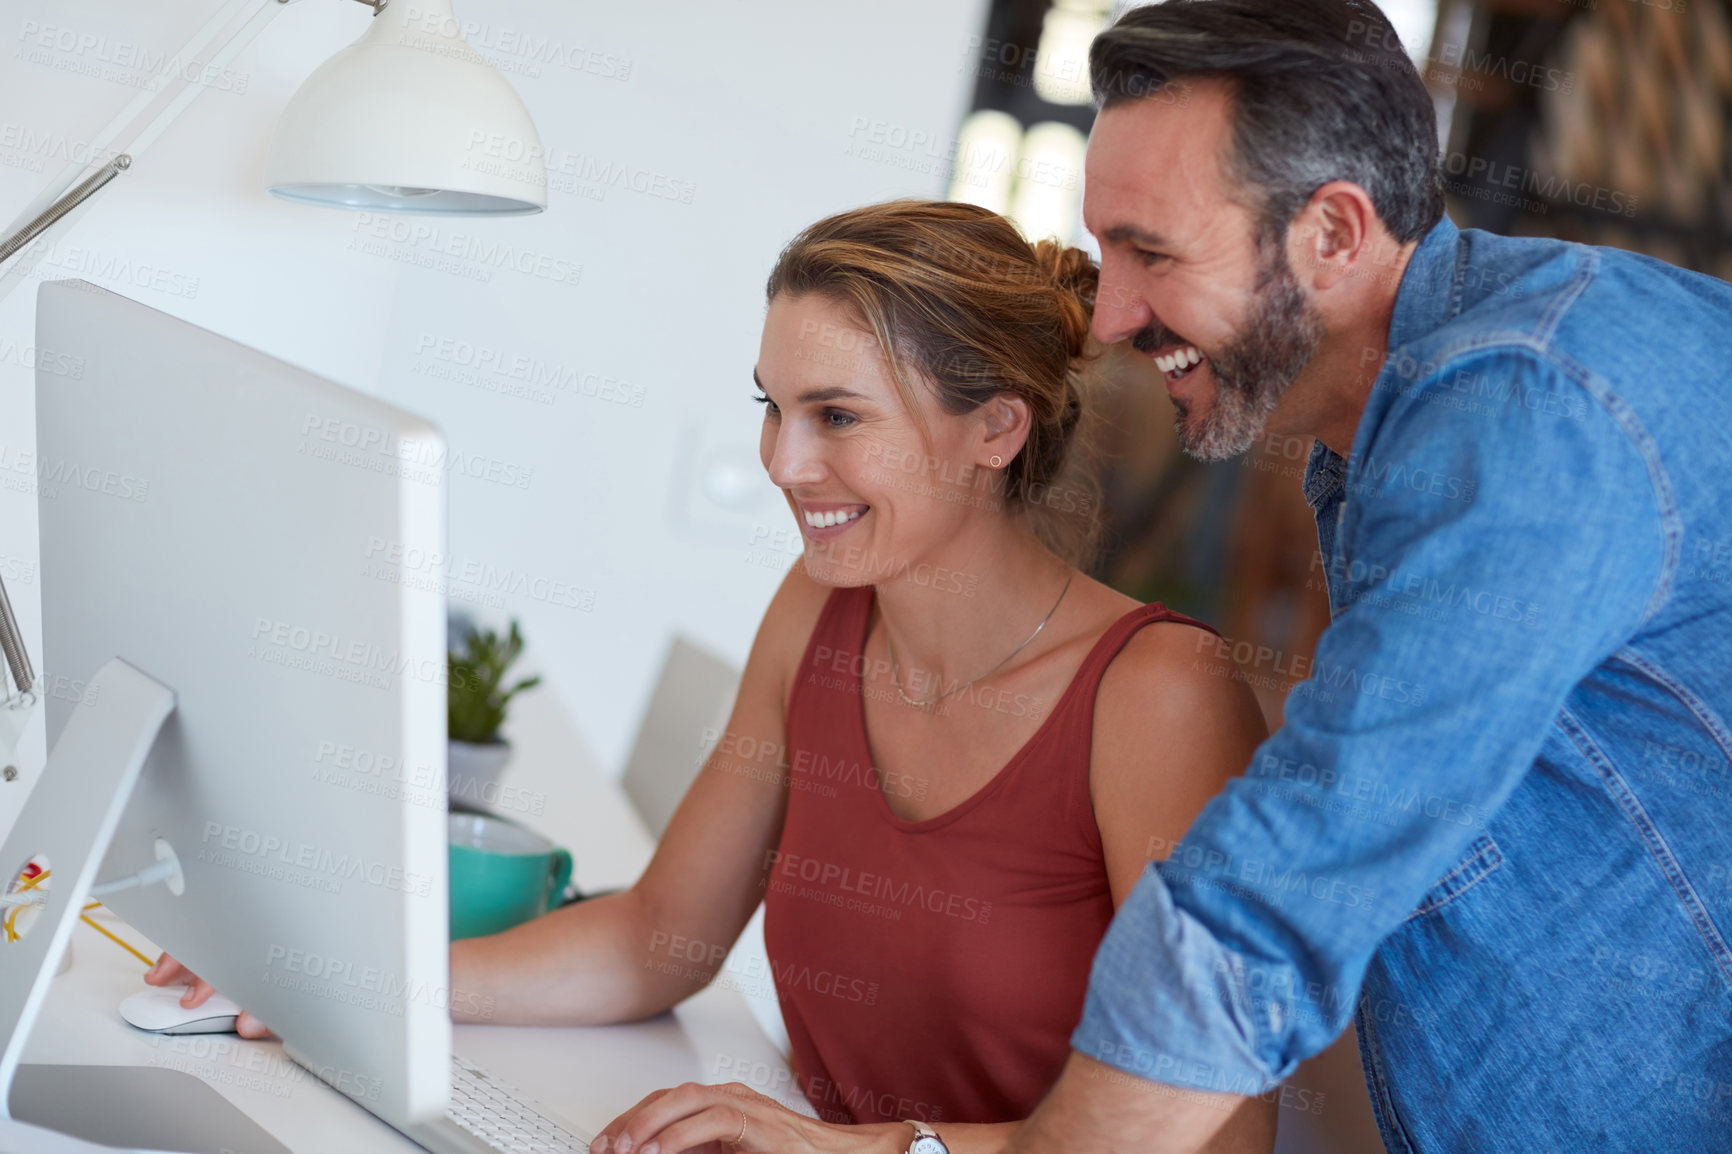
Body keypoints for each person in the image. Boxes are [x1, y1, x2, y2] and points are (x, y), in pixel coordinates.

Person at [147, 199, 1277, 1153]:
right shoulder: (822, 609)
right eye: (772, 409)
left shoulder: (1157, 690)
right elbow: (654, 935)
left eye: (836, 415)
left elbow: (1225, 1128)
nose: (783, 464)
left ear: (993, 428)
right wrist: (343, 978)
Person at [998, 2, 1732, 1152]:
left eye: (1152, 251)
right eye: (1104, 251)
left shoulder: (1527, 408)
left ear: (1333, 234)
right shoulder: (1391, 423)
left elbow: (1280, 894)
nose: (1108, 316)